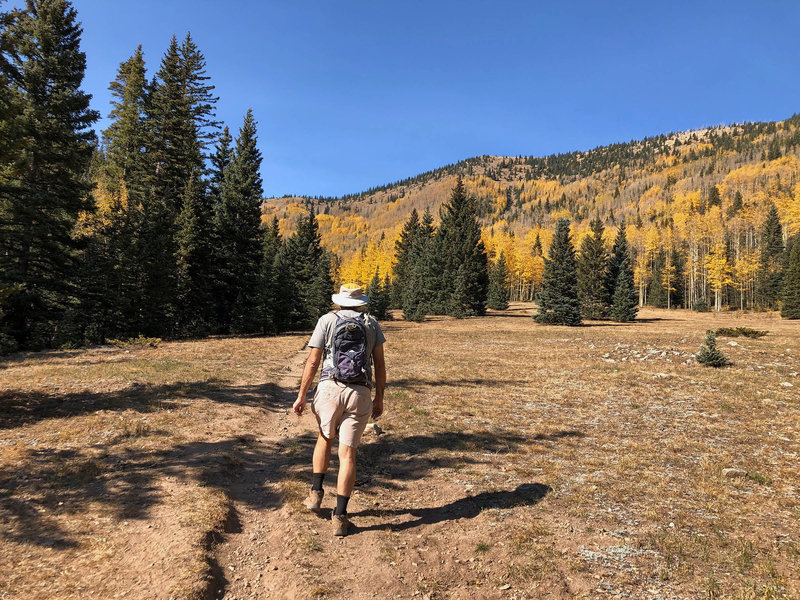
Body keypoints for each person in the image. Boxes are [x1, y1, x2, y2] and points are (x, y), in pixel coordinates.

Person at [293, 283, 386, 536]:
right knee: (348, 455)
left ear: (340, 300)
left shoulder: (327, 320)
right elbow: (379, 364)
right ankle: (340, 517)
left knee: (324, 439)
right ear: (361, 302)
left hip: (330, 389)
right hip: (360, 392)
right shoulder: (371, 324)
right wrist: (379, 398)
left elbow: (313, 360)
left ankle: (315, 495)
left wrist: (302, 395)